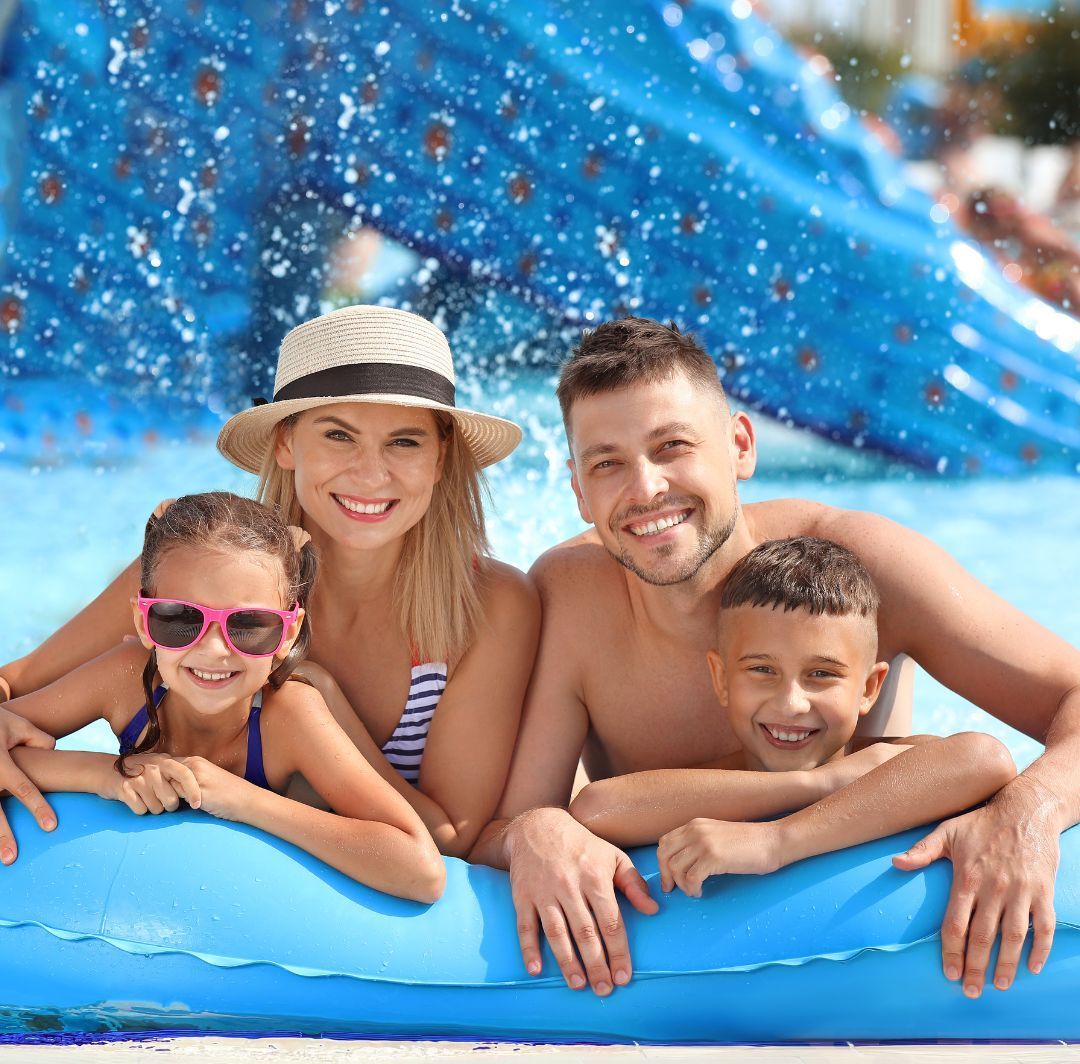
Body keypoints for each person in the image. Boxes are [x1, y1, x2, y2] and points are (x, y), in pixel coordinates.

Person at [471, 316, 1080, 1002]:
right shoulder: (569, 597)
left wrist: (1030, 811)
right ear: (579, 492)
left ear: (739, 446)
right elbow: (500, 826)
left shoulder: (858, 569)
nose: (644, 491)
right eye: (607, 463)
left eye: (672, 446)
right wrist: (537, 831)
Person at [0, 305, 540, 861]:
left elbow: (448, 842)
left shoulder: (490, 608)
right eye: (338, 435)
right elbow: (14, 686)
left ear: (441, 455)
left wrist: (325, 701)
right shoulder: (201, 575)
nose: (371, 474)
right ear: (285, 443)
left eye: (404, 442)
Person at [2, 492, 444, 902]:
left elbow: (421, 870)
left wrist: (245, 801)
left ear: (288, 633)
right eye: (178, 619)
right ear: (143, 621)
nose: (214, 650)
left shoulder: (288, 714)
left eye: (250, 624)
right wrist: (109, 773)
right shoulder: (125, 675)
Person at [567, 536, 1015, 895]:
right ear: (721, 679)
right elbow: (595, 808)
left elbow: (985, 758)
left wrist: (775, 841)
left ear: (869, 689)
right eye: (762, 670)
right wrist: (820, 783)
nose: (790, 703)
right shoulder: (717, 782)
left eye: (821, 674)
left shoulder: (885, 764)